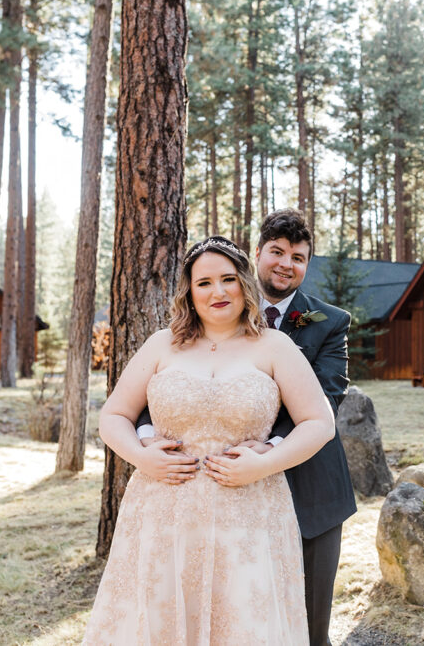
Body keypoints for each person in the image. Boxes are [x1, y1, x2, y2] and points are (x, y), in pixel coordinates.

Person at [83, 236, 335, 644]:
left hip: (250, 513)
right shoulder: (162, 345)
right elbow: (113, 416)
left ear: (244, 284)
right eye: (204, 283)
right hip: (164, 512)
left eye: (228, 279)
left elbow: (319, 422)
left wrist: (266, 462)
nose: (218, 292)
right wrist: (141, 458)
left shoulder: (275, 346)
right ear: (189, 291)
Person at [135, 209, 357, 645]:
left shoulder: (330, 322)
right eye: (276, 252)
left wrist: (268, 448)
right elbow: (166, 387)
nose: (286, 264)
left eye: (298, 257)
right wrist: (147, 437)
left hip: (309, 486)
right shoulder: (214, 305)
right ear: (257, 254)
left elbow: (325, 398)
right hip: (217, 492)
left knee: (307, 626)